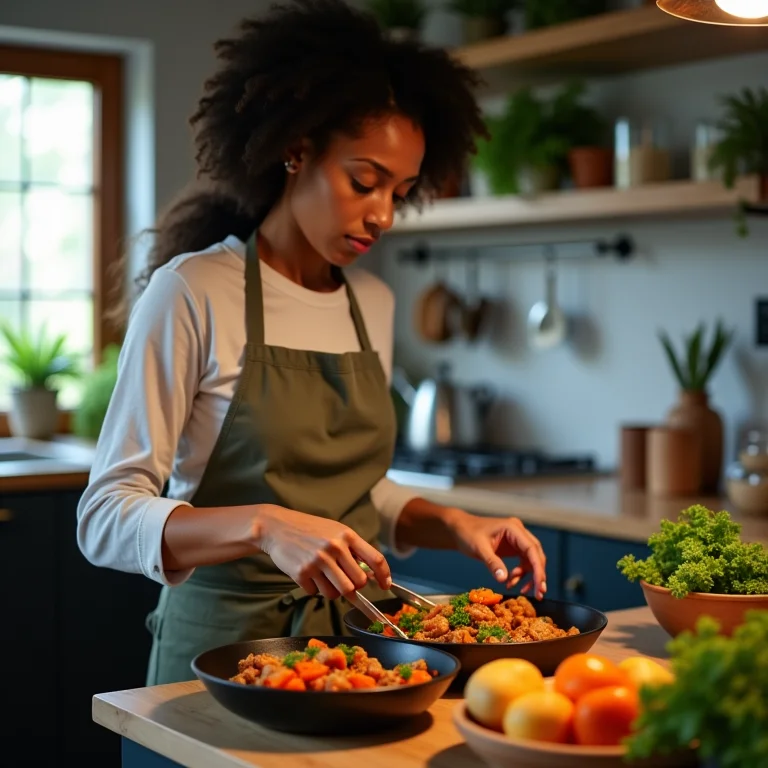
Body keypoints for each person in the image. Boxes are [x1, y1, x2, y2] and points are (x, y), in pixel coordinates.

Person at [76, 0, 548, 686]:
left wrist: (450, 521)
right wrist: (265, 526)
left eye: (402, 191)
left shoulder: (372, 304)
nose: (383, 214)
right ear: (295, 149)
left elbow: (356, 493)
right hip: (221, 657)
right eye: (364, 181)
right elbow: (105, 518)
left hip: (361, 652)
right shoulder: (193, 291)